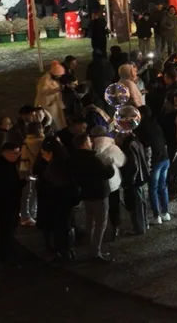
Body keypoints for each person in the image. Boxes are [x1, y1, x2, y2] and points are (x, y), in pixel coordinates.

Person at [70, 132, 114, 262]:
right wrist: (109, 163)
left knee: (90, 221)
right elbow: (107, 174)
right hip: (99, 193)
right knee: (101, 223)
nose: (91, 143)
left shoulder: (74, 158)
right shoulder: (93, 158)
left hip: (86, 193)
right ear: (84, 144)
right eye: (89, 141)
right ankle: (95, 252)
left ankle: (90, 246)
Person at [0, 141, 25, 265]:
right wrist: (20, 185)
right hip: (5, 205)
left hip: (8, 204)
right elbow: (5, 188)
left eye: (18, 153)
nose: (17, 155)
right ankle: (6, 255)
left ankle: (7, 252)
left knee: (8, 229)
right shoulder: (0, 170)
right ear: (6, 153)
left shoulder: (7, 166)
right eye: (14, 153)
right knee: (6, 230)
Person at [35, 61, 67, 130]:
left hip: (53, 104)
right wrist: (56, 90)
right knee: (52, 123)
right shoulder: (45, 79)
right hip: (47, 105)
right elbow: (42, 91)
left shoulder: (52, 78)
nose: (60, 76)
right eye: (59, 75)